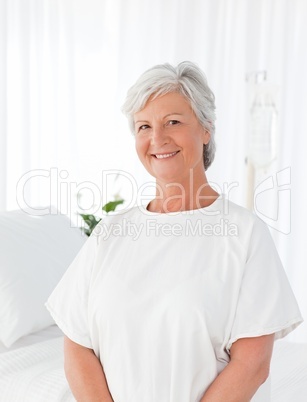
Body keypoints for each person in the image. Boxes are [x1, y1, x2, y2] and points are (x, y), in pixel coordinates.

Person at [46, 61, 303, 402]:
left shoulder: (244, 234)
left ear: (206, 128)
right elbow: (77, 344)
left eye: (173, 122)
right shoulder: (110, 233)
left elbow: (253, 364)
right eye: (143, 126)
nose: (158, 139)